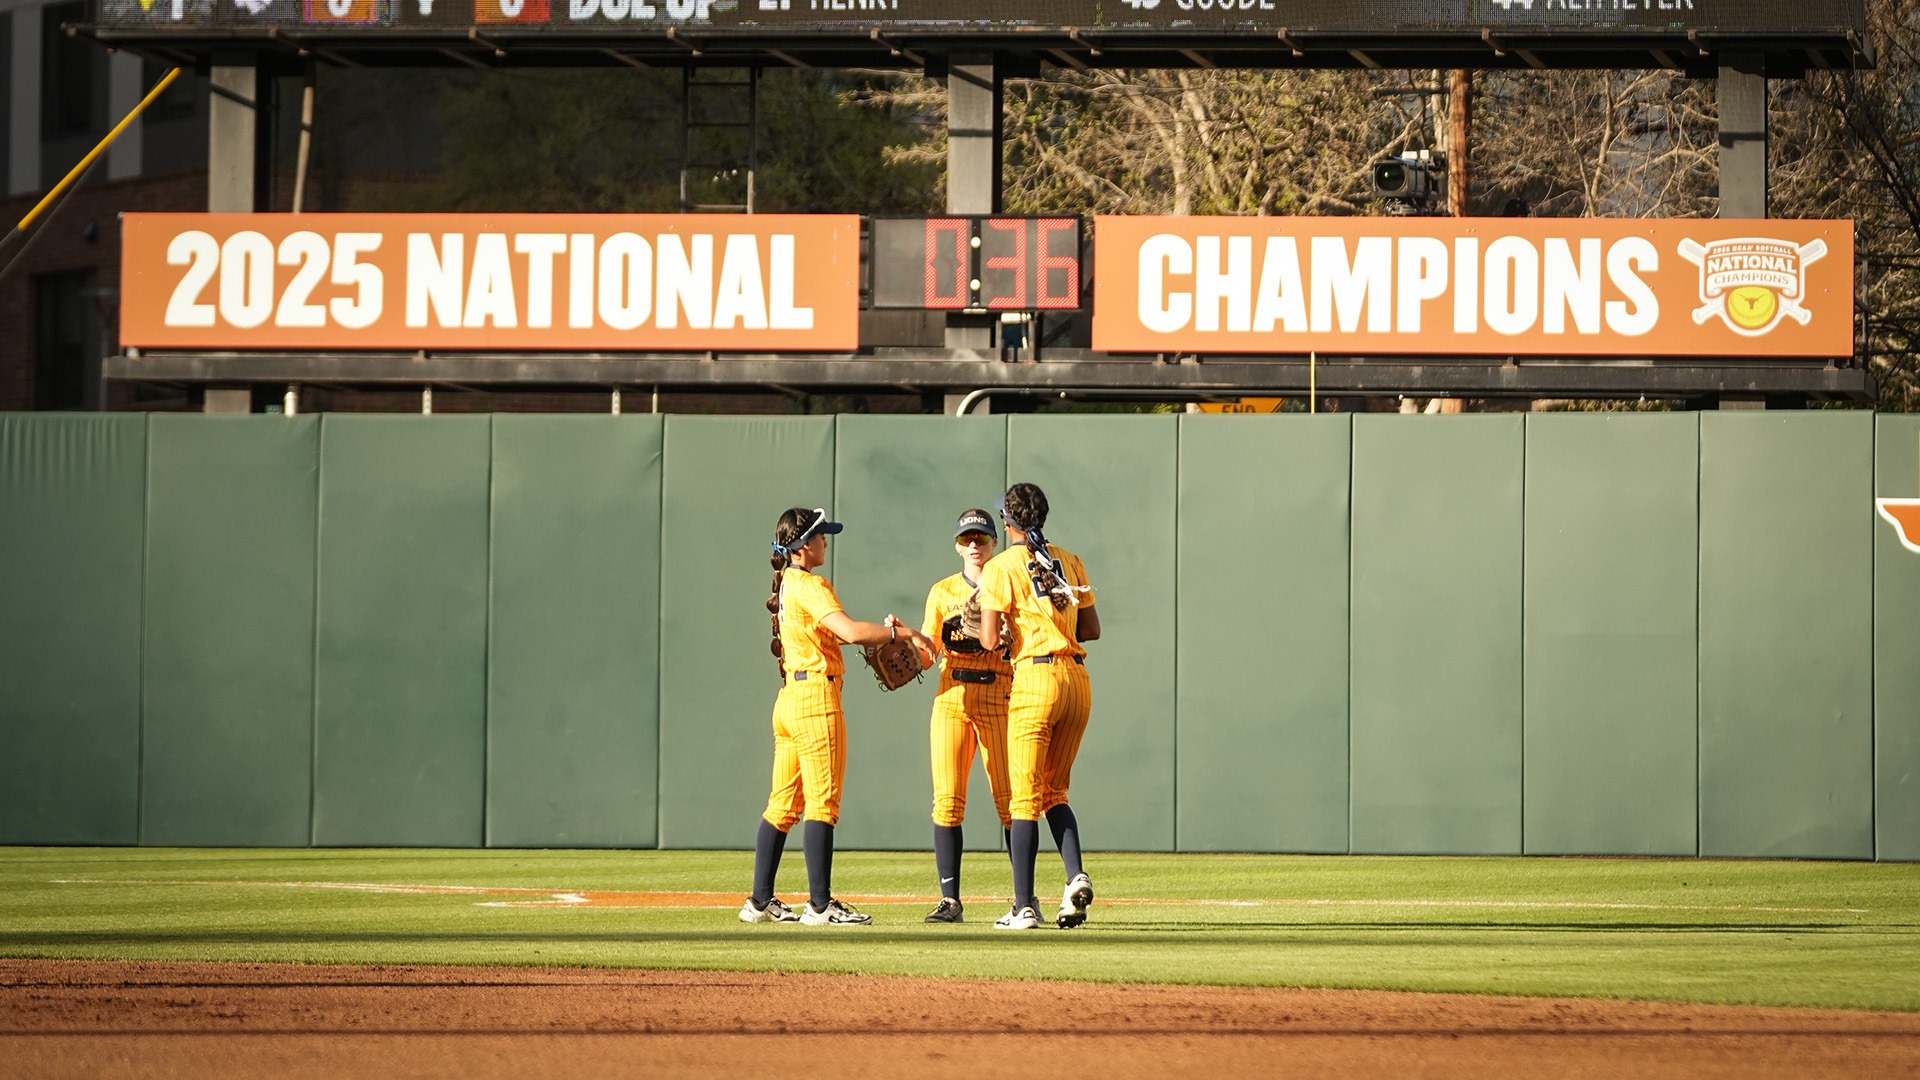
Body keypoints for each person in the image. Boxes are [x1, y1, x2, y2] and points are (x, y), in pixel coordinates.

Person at [741, 506, 938, 927]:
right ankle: (819, 905)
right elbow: (850, 632)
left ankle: (759, 902)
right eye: (821, 535)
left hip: (790, 699)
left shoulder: (788, 584)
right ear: (803, 545)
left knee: (782, 804)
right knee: (822, 804)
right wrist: (904, 633)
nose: (825, 541)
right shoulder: (809, 584)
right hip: (815, 699)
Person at [975, 483, 1101, 930]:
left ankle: (1024, 905)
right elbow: (1091, 629)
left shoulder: (1000, 567)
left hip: (1036, 679)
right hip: (1076, 683)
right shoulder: (1068, 559)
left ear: (1007, 522)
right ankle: (1075, 877)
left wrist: (1006, 626)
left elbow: (989, 640)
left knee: (1024, 797)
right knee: (1055, 792)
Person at [918, 508, 1016, 924]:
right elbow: (926, 655)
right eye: (966, 539)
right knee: (947, 800)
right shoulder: (941, 591)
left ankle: (1023, 898)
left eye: (981, 538)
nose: (973, 545)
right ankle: (950, 900)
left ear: (995, 543)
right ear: (957, 545)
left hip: (997, 693)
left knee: (1013, 803)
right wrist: (902, 640)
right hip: (951, 697)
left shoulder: (1009, 584)